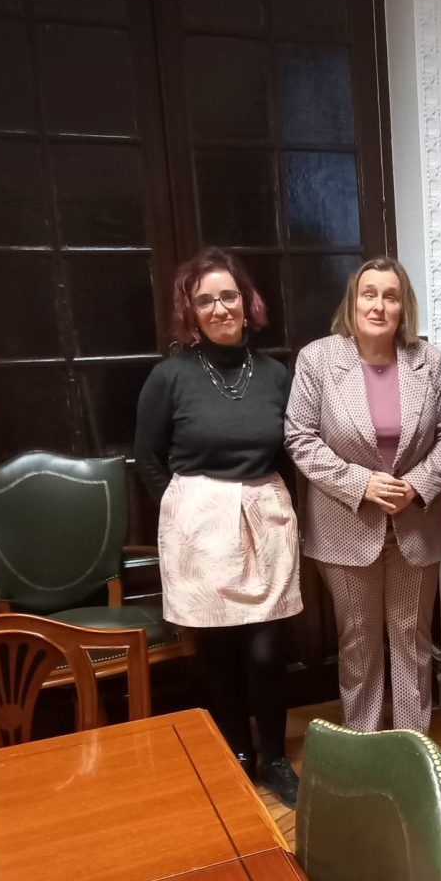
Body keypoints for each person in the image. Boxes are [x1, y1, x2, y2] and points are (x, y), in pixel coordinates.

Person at [134, 247, 302, 807]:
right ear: (191, 310)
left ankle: (275, 757)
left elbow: (291, 449)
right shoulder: (169, 376)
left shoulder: (277, 373)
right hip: (197, 528)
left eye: (228, 295)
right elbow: (148, 456)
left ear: (246, 301)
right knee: (220, 654)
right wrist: (185, 512)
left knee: (265, 652)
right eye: (204, 299)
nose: (219, 307)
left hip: (265, 518)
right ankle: (237, 753)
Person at [284, 256, 441, 733]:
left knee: (411, 638)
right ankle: (362, 744)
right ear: (353, 301)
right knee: (358, 641)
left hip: (414, 526)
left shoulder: (429, 361)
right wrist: (360, 484)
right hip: (346, 528)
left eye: (391, 295)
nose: (379, 305)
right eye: (370, 294)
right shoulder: (318, 359)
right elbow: (299, 436)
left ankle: (411, 743)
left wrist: (417, 486)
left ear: (404, 307)